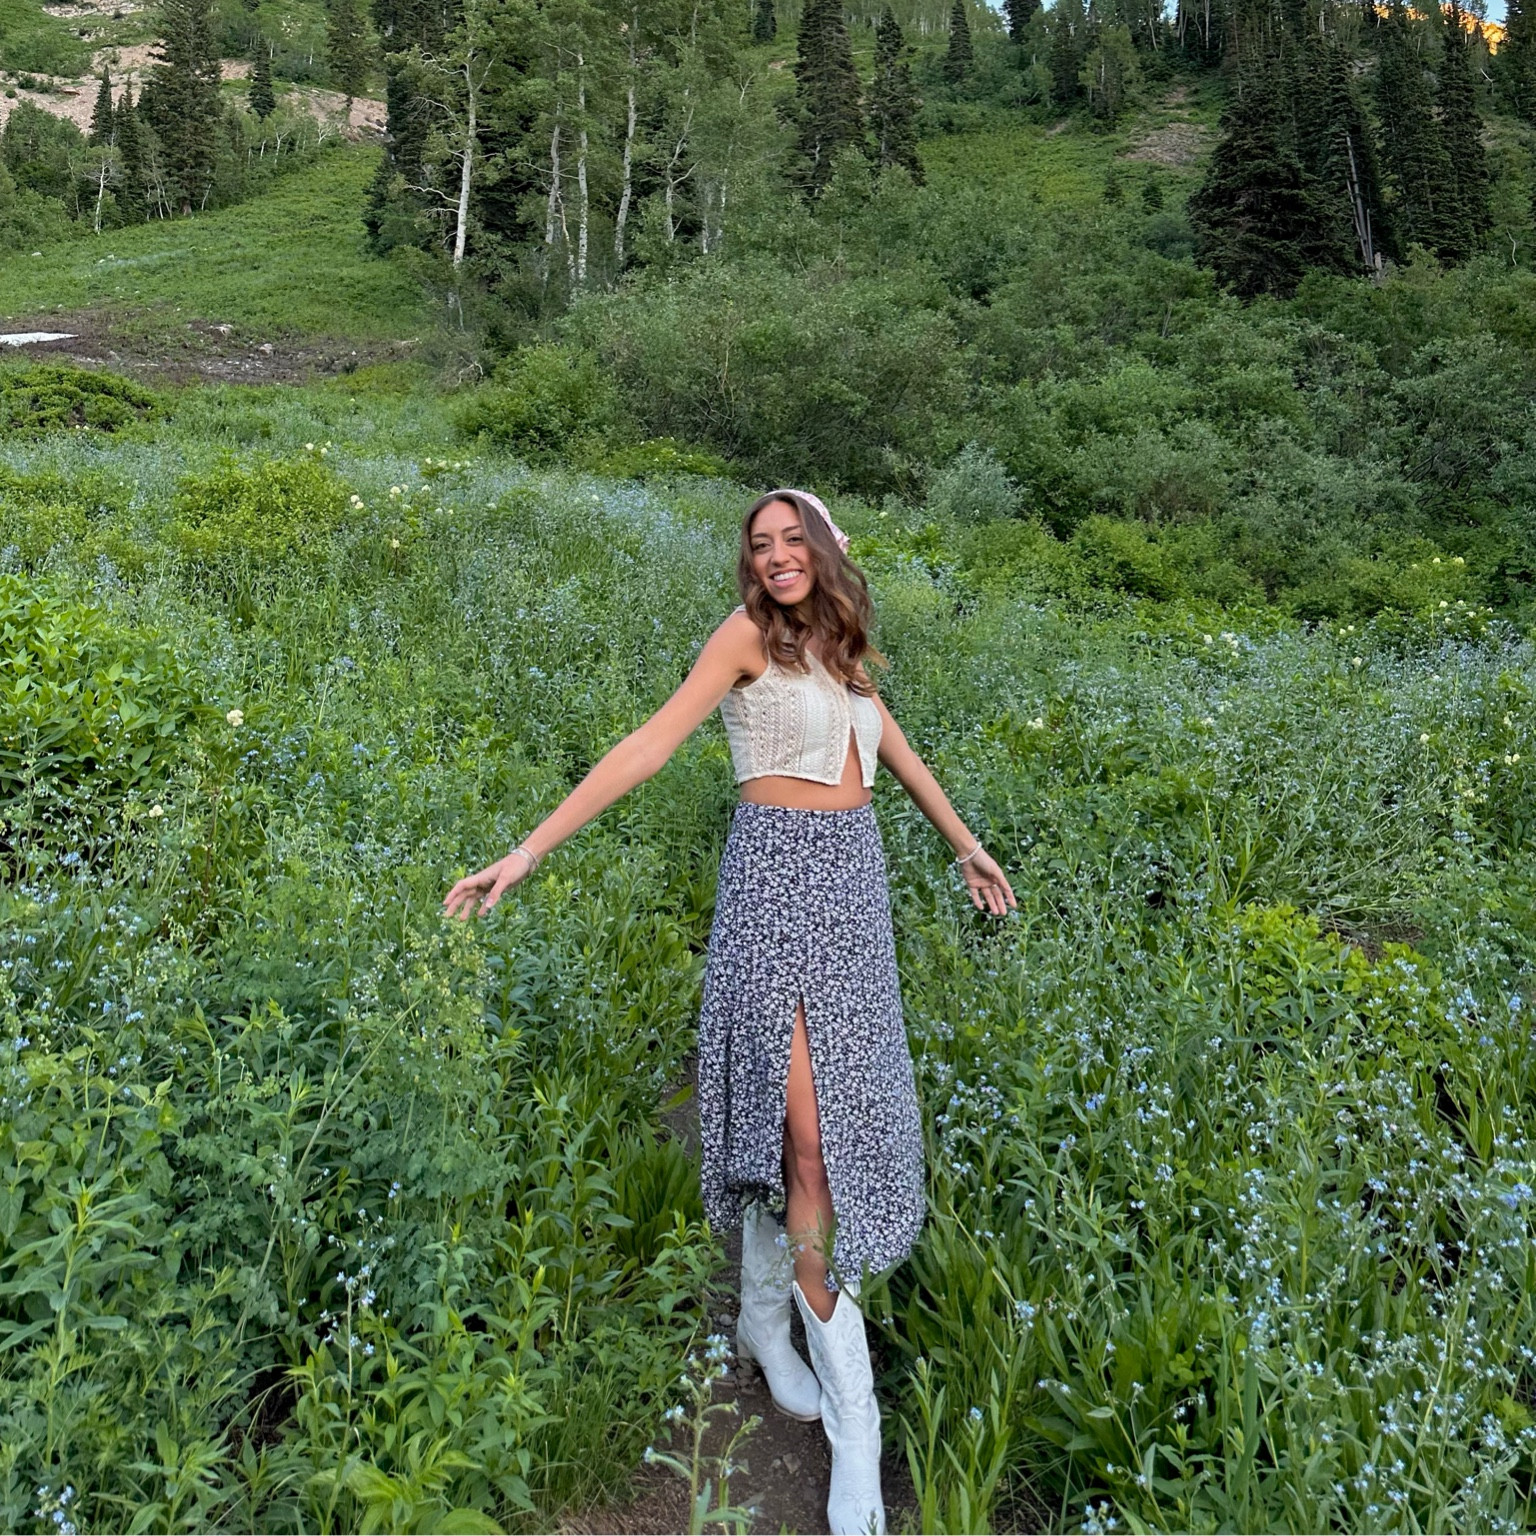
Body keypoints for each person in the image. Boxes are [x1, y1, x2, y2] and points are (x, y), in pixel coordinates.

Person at [444, 488, 1017, 1535]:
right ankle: (859, 1431)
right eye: (762, 546)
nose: (777, 556)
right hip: (773, 889)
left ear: (828, 550)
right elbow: (648, 745)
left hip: (853, 895)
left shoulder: (844, 653)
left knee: (817, 1125)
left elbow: (891, 751)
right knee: (808, 1144)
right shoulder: (744, 638)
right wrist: (525, 853)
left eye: (795, 539)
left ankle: (765, 1315)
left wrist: (965, 842)